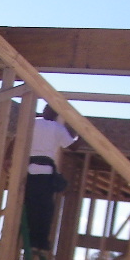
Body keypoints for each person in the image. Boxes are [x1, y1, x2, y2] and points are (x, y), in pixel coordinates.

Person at [24, 105, 76, 250]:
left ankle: (28, 239)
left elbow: (16, 139)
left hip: (28, 172)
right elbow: (73, 147)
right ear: (56, 114)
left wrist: (7, 159)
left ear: (43, 111)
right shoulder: (58, 128)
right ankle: (39, 241)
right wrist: (79, 132)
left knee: (30, 207)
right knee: (44, 209)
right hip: (45, 174)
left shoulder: (33, 123)